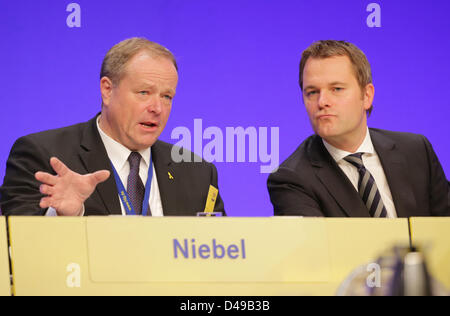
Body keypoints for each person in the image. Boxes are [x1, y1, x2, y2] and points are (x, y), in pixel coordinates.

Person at [0, 37, 225, 216]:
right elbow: (17, 248)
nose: (157, 107)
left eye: (167, 96)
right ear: (107, 90)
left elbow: (221, 255)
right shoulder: (44, 155)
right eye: (144, 92)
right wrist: (63, 216)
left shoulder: (197, 173)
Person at [268, 40, 449, 217]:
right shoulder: (291, 179)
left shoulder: (416, 150)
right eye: (312, 92)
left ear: (367, 95)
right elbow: (321, 247)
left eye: (336, 89)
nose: (322, 102)